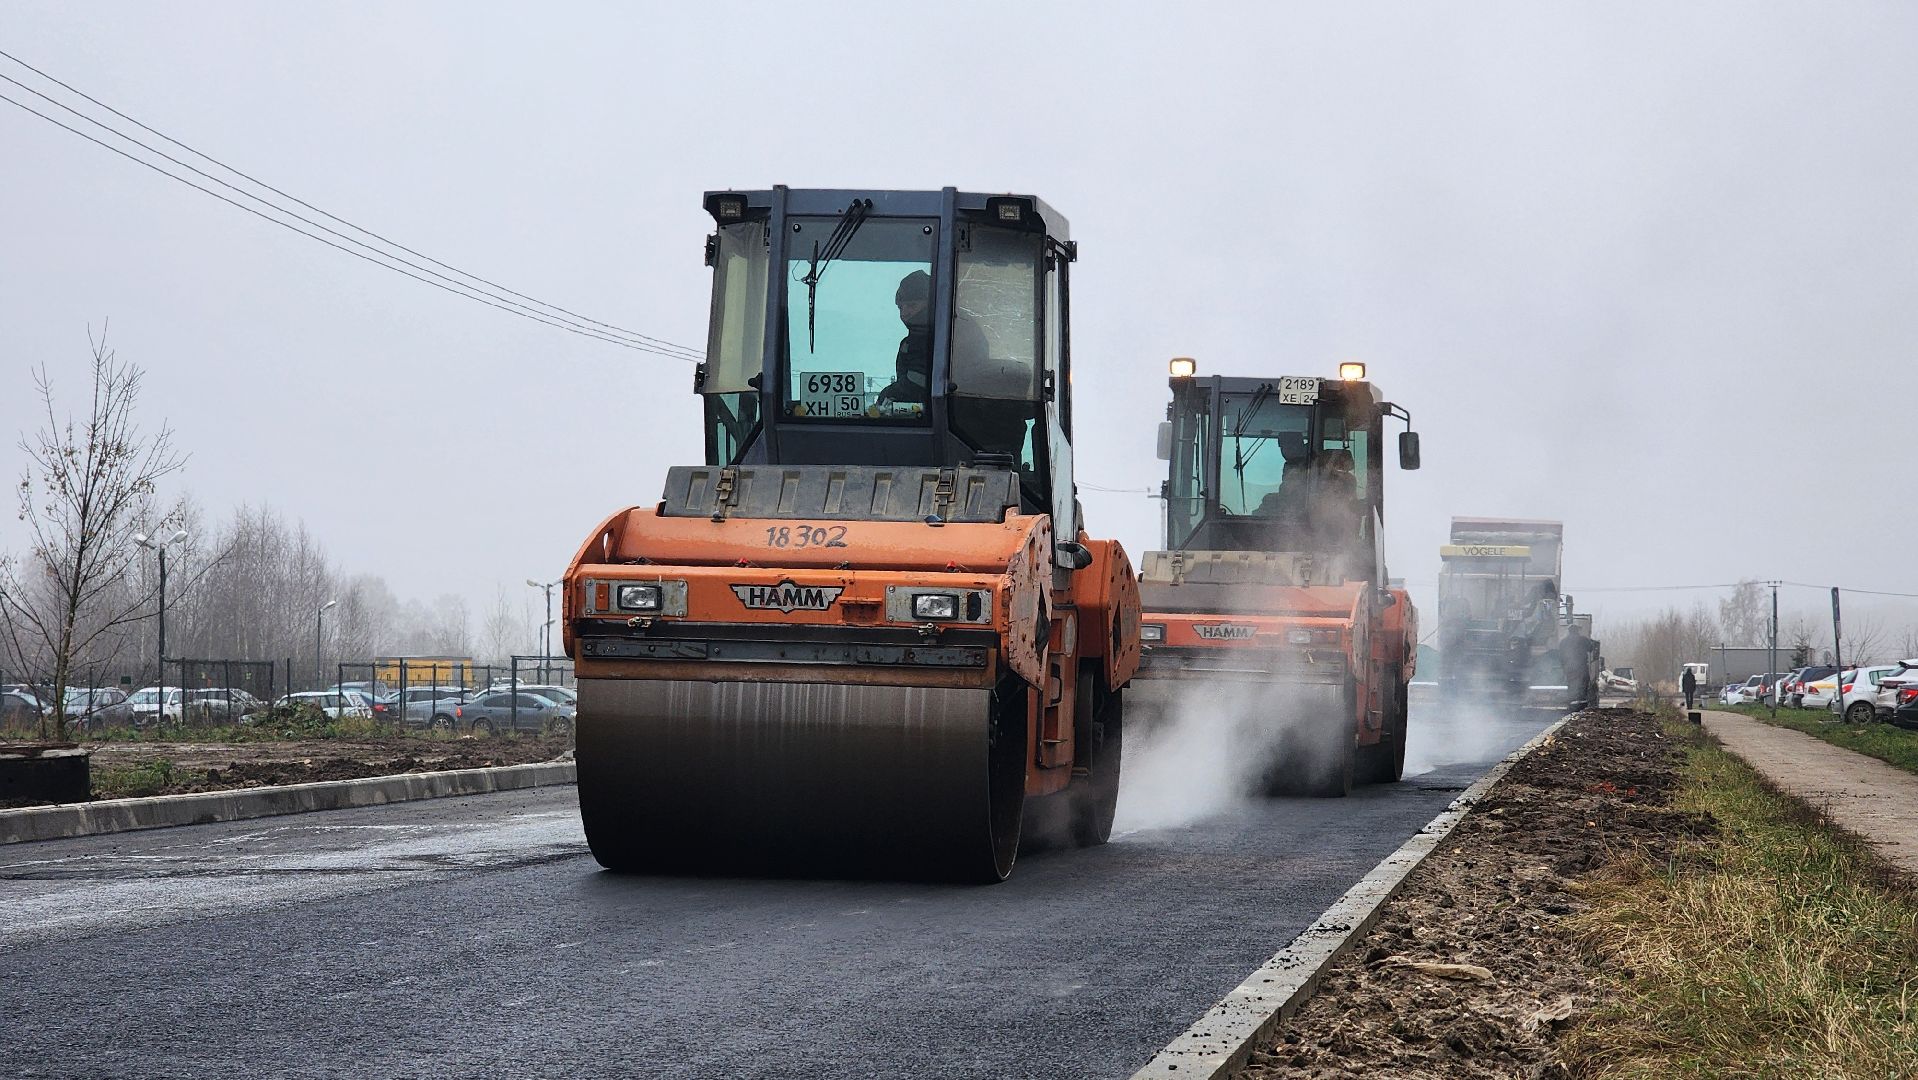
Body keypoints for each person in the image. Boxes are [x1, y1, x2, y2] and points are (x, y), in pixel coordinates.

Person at [879, 270, 935, 405]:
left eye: (911, 305)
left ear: (931, 303)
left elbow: (919, 382)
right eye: (900, 308)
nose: (904, 313)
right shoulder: (914, 340)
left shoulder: (937, 339)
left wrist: (888, 394)